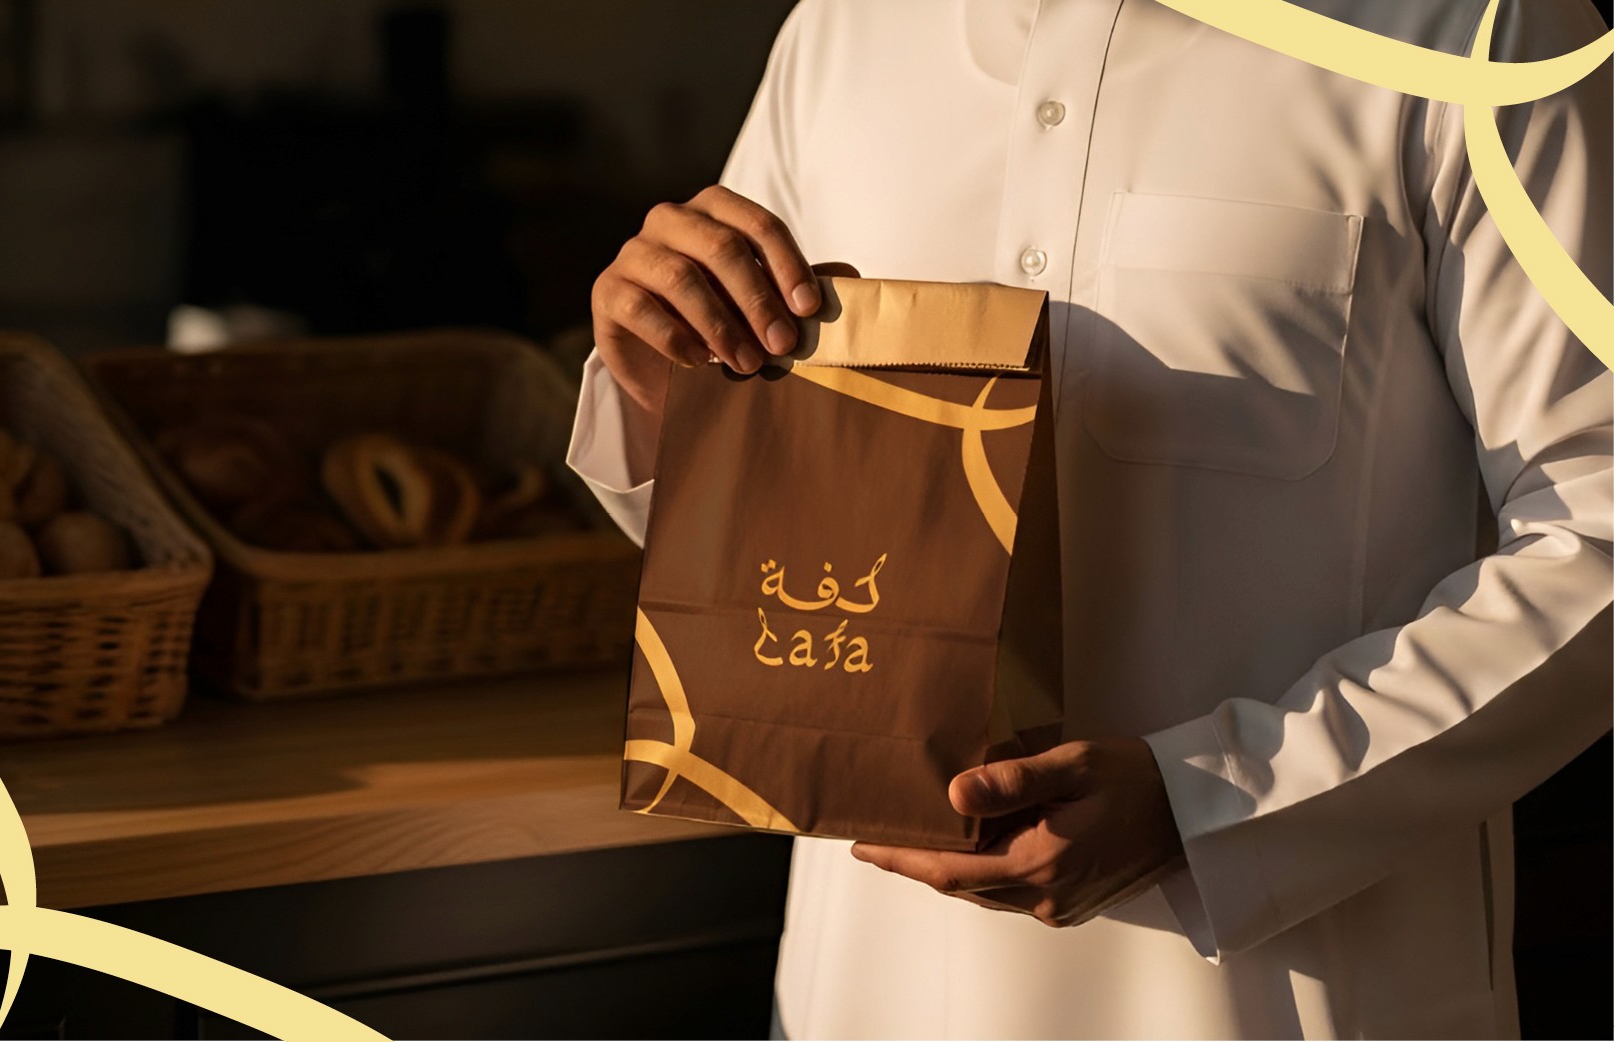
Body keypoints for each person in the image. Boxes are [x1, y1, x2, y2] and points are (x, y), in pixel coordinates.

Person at [565, 0, 1613, 1037]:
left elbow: (1594, 534)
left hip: (1284, 999)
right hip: (867, 986)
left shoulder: (1485, 32)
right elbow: (785, 537)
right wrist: (670, 399)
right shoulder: (842, 30)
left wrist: (1216, 801)